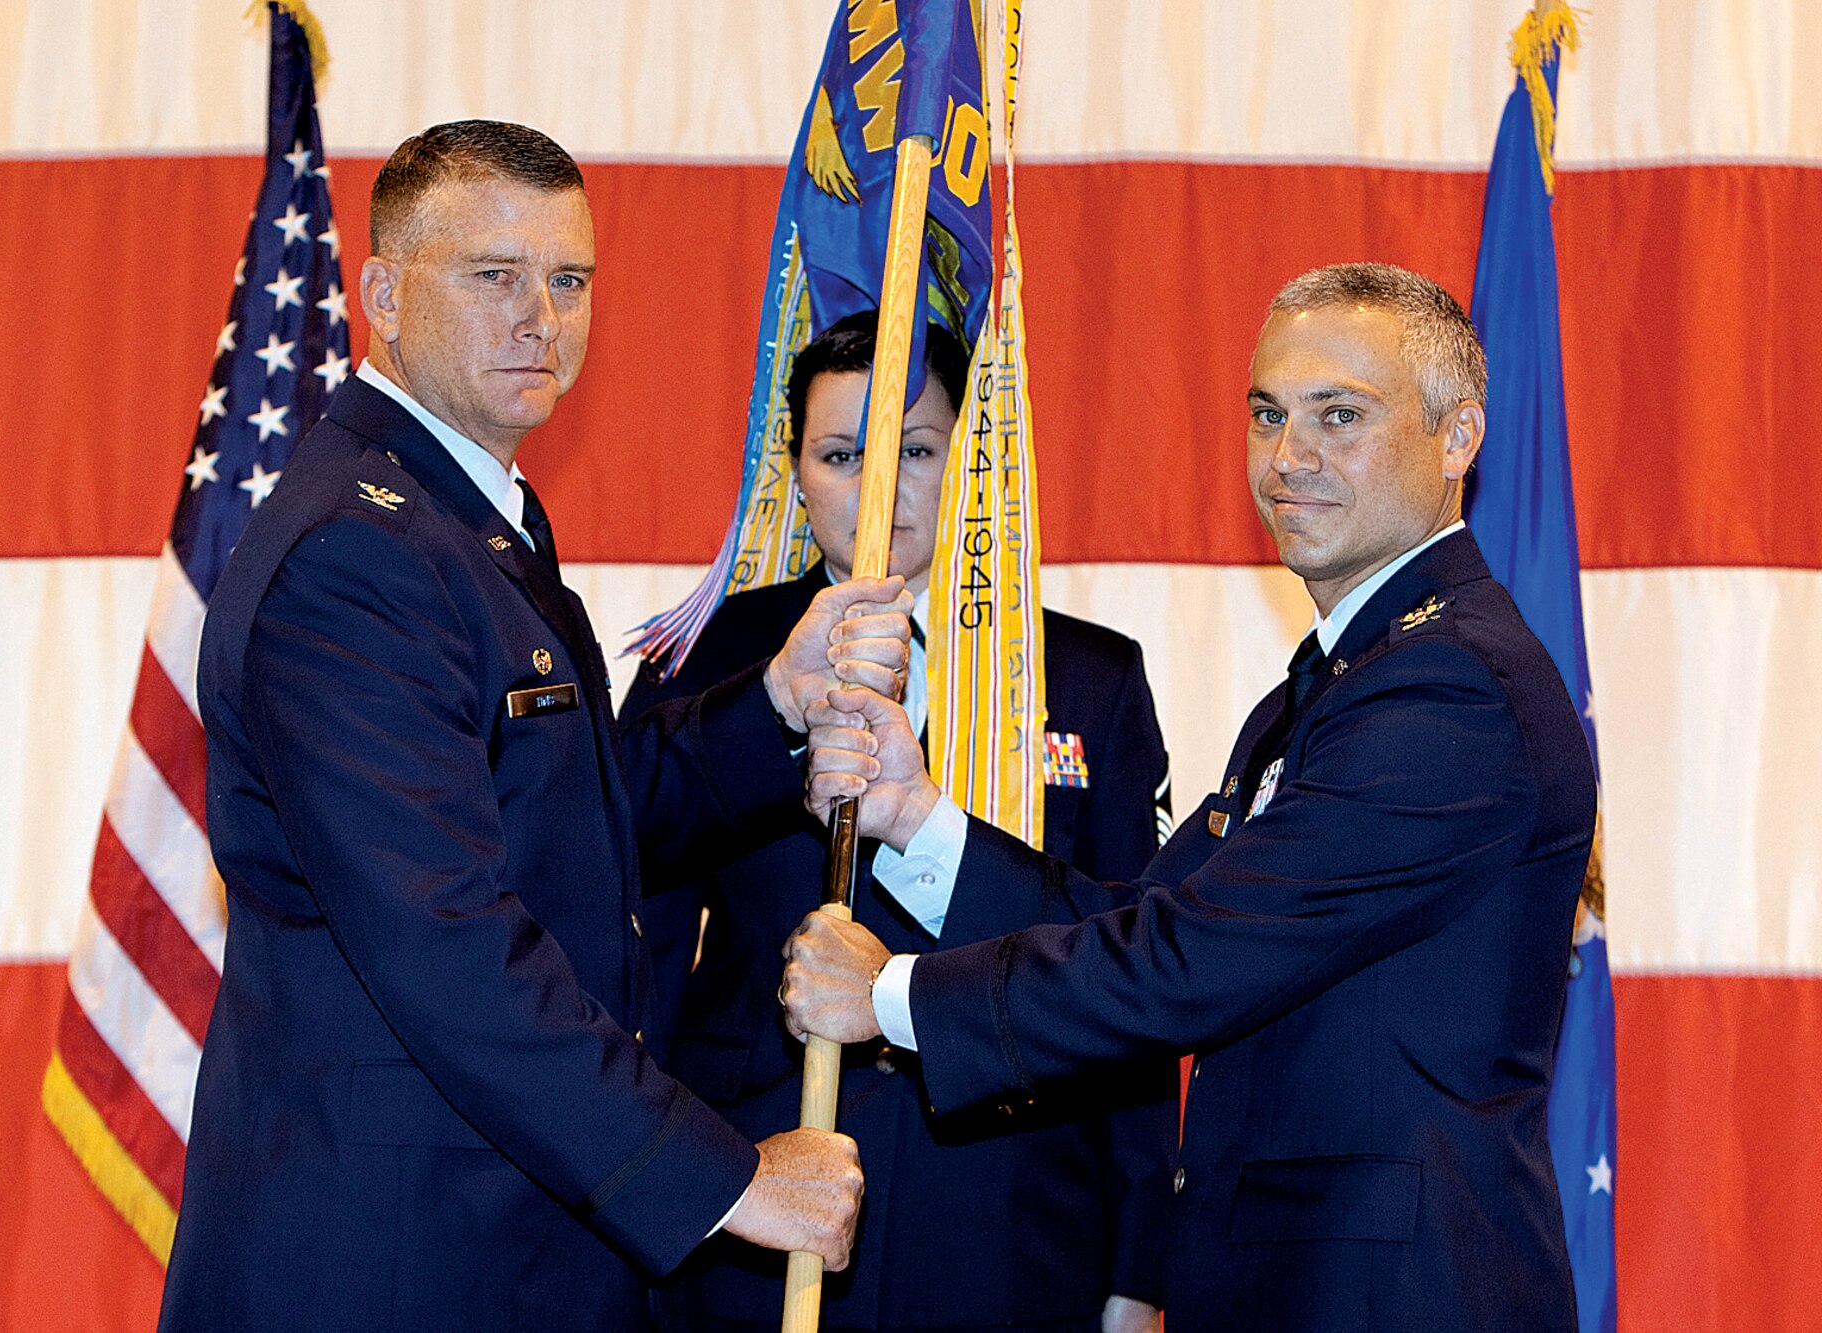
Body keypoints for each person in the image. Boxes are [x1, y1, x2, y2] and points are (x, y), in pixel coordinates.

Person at [159, 121, 903, 1333]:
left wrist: (775, 699)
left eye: (568, 281)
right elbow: (447, 939)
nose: (539, 318)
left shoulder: (466, 518)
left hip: (494, 1235)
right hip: (393, 1258)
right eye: (493, 276)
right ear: (385, 294)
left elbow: (565, 823)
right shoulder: (358, 552)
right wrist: (724, 1178)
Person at [783, 263, 1597, 1333]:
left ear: (1457, 439)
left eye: (1337, 416)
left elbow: (1193, 960)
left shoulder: (1448, 691)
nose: (1287, 457)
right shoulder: (1329, 686)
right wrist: (914, 817)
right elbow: (1138, 920)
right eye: (1267, 414)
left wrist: (892, 996)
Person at [623, 311, 1176, 1333]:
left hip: (1006, 1209)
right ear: (794, 474)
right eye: (842, 455)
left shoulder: (1086, 681)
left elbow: (1132, 981)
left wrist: (1137, 1268)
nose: (881, 484)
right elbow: (635, 956)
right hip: (755, 1184)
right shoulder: (707, 663)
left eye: (917, 451)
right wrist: (639, 1196)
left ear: (969, 458)